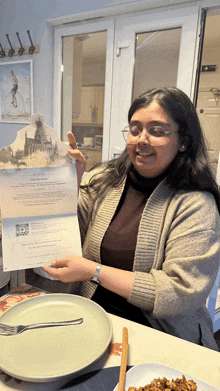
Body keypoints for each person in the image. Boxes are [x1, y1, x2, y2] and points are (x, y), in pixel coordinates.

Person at [43, 87, 220, 351]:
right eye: (135, 129)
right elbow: (71, 237)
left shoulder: (196, 205)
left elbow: (180, 292)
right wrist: (68, 187)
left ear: (183, 140)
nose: (141, 139)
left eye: (157, 131)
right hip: (95, 321)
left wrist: (95, 272)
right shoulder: (103, 180)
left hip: (160, 336)